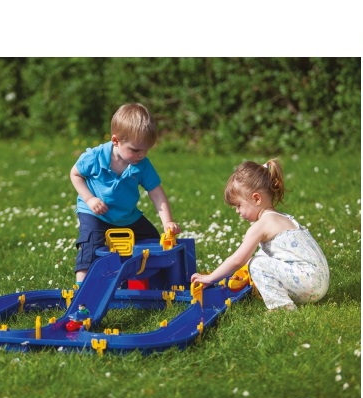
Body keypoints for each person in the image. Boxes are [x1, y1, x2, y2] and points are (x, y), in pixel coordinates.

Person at [191, 158, 329, 311]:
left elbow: (237, 260)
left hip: (309, 284)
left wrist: (210, 278)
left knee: (256, 263)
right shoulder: (283, 218)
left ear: (256, 198)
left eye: (238, 205)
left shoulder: (261, 226)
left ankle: (281, 307)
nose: (237, 211)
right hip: (319, 281)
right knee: (260, 258)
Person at [70, 103, 181, 285]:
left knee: (153, 241)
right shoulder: (95, 157)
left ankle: (146, 281)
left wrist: (167, 222)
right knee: (90, 247)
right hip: (95, 214)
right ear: (116, 141)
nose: (142, 155)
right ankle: (82, 290)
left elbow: (156, 192)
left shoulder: (142, 165)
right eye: (136, 150)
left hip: (127, 216)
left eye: (146, 149)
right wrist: (89, 199)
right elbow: (75, 174)